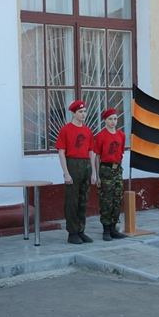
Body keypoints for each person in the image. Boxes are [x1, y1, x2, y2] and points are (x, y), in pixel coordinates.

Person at [55, 100, 97, 244]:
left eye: (84, 111)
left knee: (83, 200)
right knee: (72, 200)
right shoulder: (66, 130)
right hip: (72, 163)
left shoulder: (88, 131)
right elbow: (61, 152)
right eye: (80, 112)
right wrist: (66, 172)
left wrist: (93, 172)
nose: (83, 114)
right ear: (73, 113)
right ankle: (72, 232)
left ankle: (81, 230)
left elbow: (91, 151)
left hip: (85, 164)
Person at [95, 108, 128, 241]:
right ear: (105, 121)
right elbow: (97, 156)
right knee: (106, 200)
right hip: (105, 169)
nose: (113, 122)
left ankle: (114, 227)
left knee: (117, 199)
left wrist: (119, 170)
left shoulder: (121, 135)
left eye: (115, 119)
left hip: (117, 170)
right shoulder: (101, 136)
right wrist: (97, 175)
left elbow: (120, 155)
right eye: (110, 119)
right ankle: (106, 229)